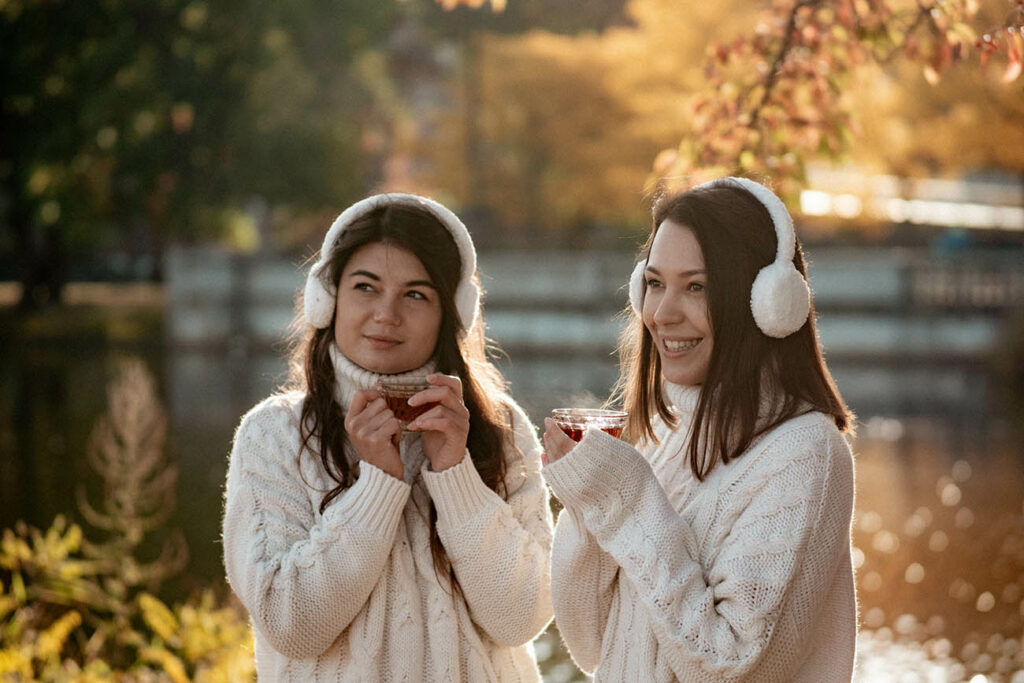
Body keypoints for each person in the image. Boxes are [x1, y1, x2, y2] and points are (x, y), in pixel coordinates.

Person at [222, 193, 554, 681]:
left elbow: (521, 618)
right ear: (328, 300)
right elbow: (290, 626)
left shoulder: (498, 428)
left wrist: (456, 475)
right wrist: (378, 483)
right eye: (365, 287)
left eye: (416, 294)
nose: (386, 314)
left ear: (451, 315)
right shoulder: (273, 435)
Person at [541, 176, 857, 682]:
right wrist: (588, 504)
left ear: (767, 302)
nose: (662, 314)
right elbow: (591, 642)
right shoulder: (659, 433)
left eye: (696, 286)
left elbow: (733, 666)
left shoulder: (805, 454)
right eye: (655, 283)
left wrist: (627, 498)